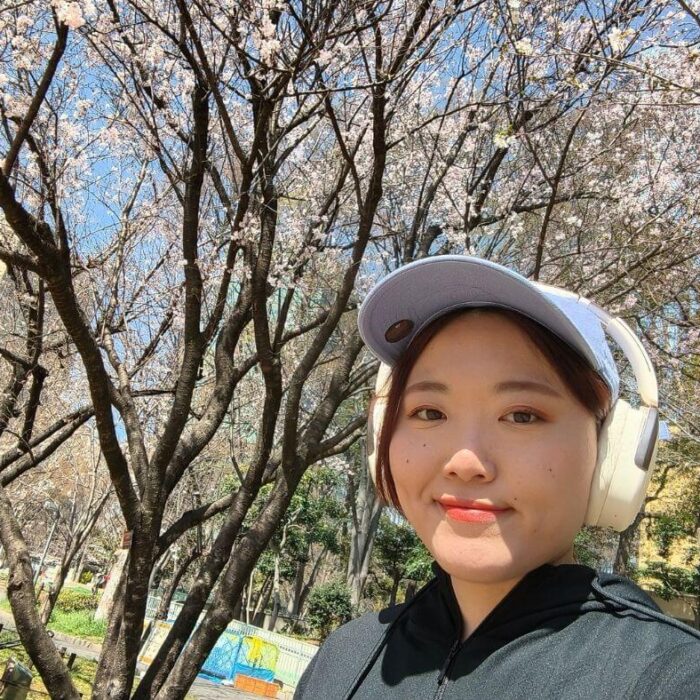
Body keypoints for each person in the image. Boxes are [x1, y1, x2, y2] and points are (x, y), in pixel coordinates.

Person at [295, 256, 700, 699]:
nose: (465, 461)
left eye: (522, 415)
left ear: (609, 452)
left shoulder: (668, 678)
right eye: (429, 412)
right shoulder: (343, 659)